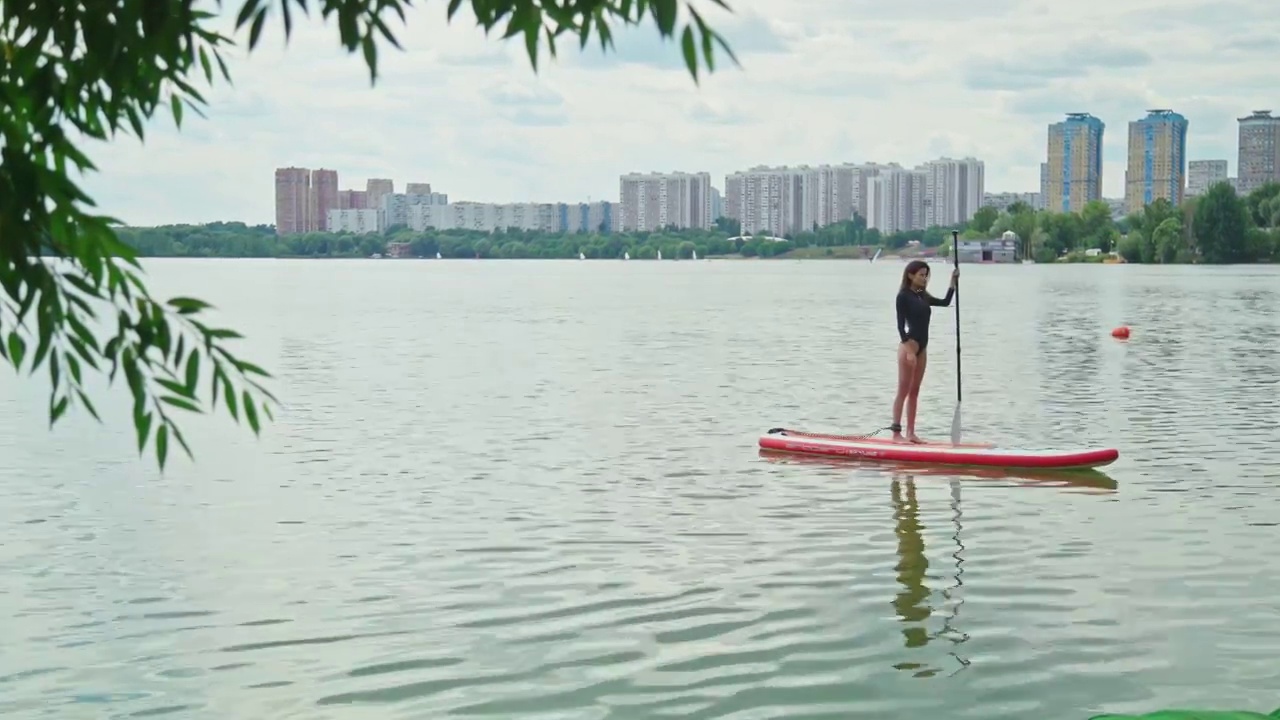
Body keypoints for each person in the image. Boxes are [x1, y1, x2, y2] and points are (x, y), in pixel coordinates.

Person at [892, 259, 958, 443]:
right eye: (921, 275)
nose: (924, 278)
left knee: (915, 391)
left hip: (923, 347)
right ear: (910, 275)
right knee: (903, 391)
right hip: (910, 345)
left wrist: (952, 283)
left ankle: (911, 433)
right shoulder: (903, 296)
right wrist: (909, 350)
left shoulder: (921, 294)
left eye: (926, 274)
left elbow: (945, 303)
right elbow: (899, 327)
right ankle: (897, 434)